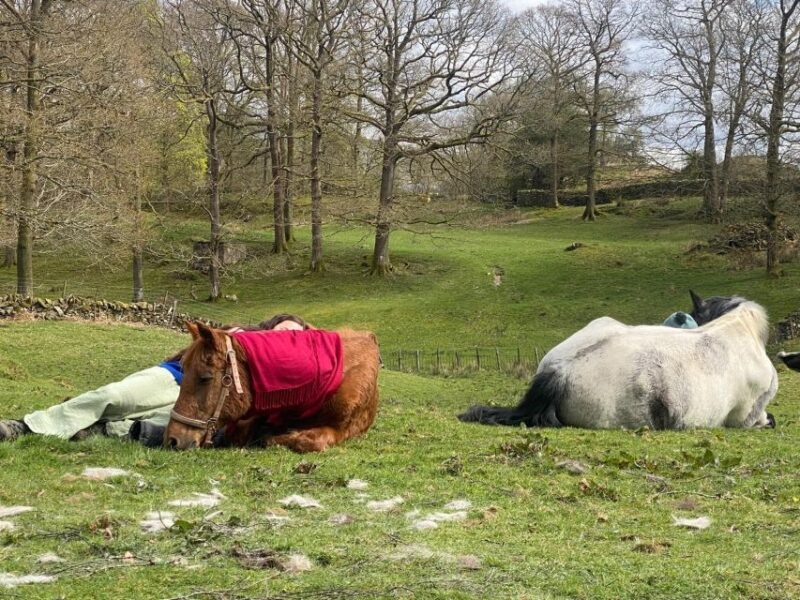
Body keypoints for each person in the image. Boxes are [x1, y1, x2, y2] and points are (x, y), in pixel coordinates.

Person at [0, 313, 309, 447]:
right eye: (284, 331)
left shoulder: (276, 378)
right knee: (117, 395)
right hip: (176, 378)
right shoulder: (235, 336)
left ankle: (96, 430)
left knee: (157, 425)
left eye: (296, 337)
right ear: (271, 326)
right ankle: (26, 426)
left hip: (209, 403)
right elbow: (193, 350)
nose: (286, 339)